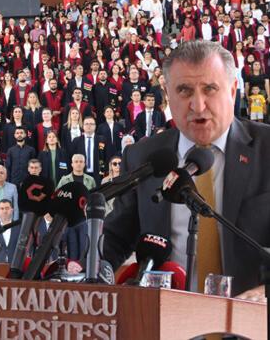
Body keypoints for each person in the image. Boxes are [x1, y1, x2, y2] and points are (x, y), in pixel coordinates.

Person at [104, 41, 270, 301]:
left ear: (233, 90)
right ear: (167, 95)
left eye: (210, 89)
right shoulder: (142, 157)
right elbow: (115, 240)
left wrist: (264, 293)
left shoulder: (266, 149)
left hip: (250, 317)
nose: (198, 105)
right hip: (166, 315)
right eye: (184, 90)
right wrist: (91, 273)